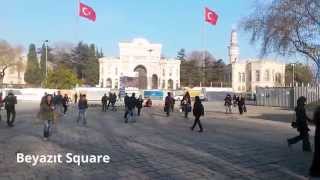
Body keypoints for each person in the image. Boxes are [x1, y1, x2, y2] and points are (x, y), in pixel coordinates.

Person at [310, 106, 320, 177]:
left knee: (317, 153)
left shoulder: (317, 110)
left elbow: (314, 121)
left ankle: (314, 171)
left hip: (318, 135)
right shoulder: (318, 111)